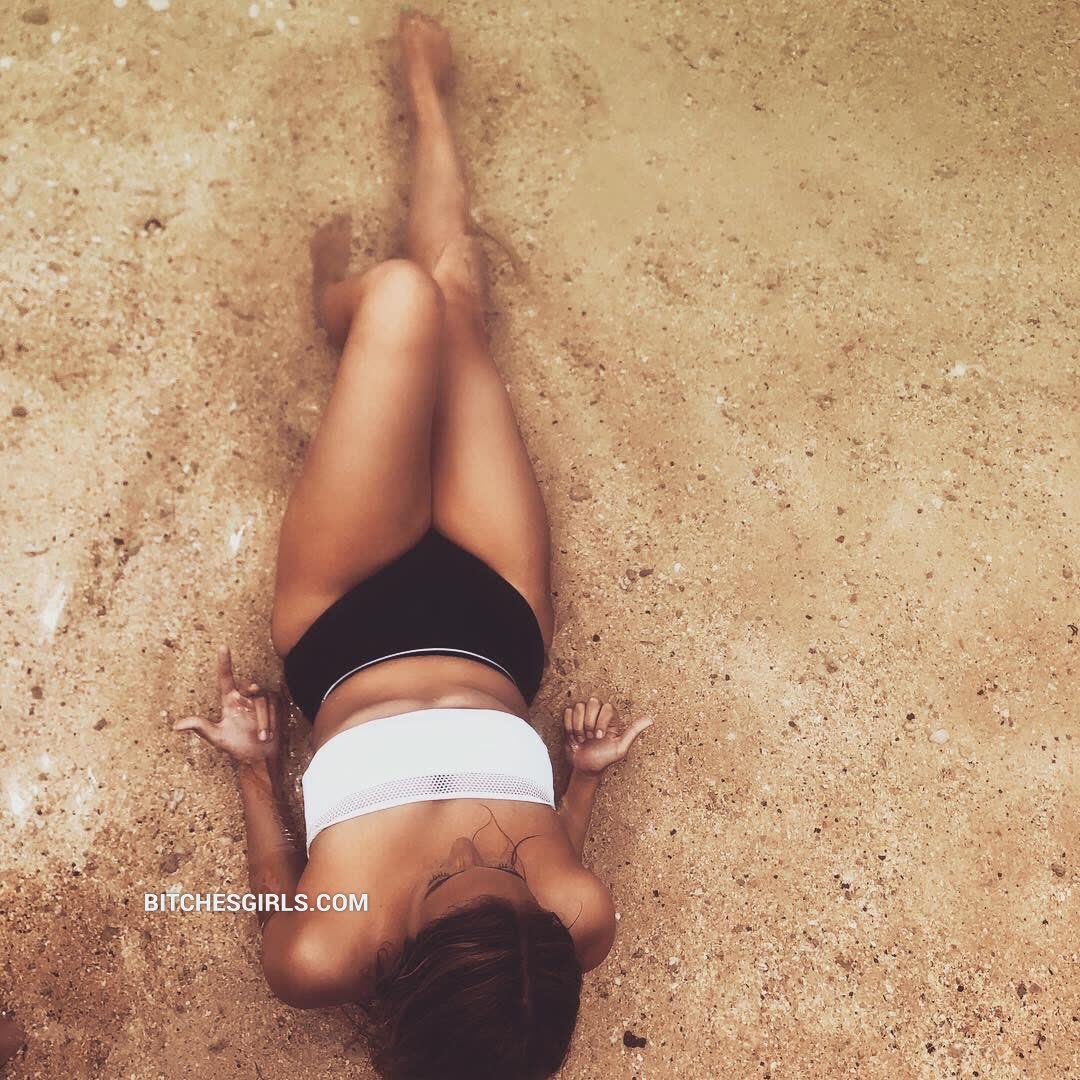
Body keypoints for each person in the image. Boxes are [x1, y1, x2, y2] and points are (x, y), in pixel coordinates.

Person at [173, 11, 653, 1079]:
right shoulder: (576, 919)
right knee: (455, 301)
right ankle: (431, 100)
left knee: (400, 298)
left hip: (347, 619)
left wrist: (253, 767)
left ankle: (337, 307)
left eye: (456, 883)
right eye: (517, 879)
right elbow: (560, 848)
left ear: (413, 974)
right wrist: (582, 779)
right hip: (496, 619)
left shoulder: (321, 954)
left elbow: (272, 889)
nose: (491, 851)